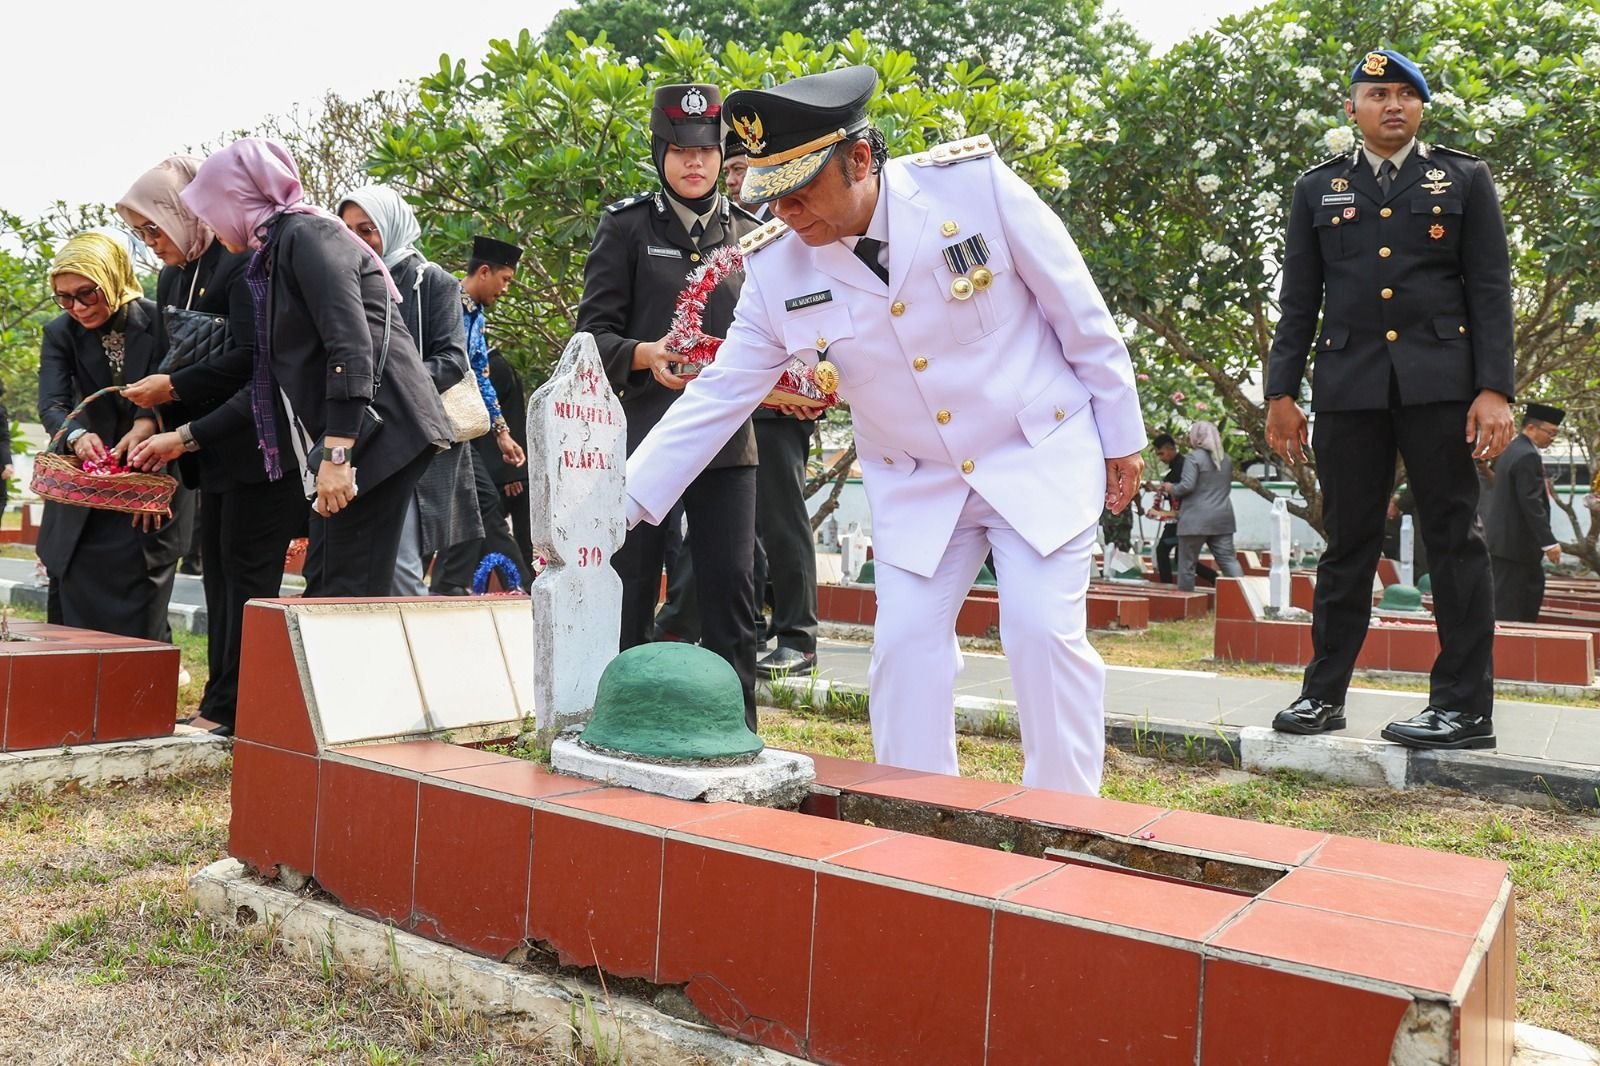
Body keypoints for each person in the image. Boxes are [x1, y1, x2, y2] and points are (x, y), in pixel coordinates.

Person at [622, 67, 1146, 794]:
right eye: (772, 192)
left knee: (1040, 637)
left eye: (802, 188)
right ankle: (917, 815)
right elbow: (717, 399)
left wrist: (1122, 436)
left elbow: (1078, 311)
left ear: (860, 160)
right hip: (917, 480)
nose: (787, 210)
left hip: (1034, 452)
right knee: (902, 651)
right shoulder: (776, 271)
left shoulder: (974, 190)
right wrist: (621, 507)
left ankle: (1061, 819)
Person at [1264, 50, 1515, 751]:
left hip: (1441, 387)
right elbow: (1299, 300)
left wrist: (1496, 388)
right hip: (1349, 389)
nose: (1393, 105)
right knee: (1346, 542)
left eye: (1406, 94)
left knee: (1453, 541)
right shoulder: (1319, 189)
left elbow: (1490, 289)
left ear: (1422, 107)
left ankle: (1464, 708)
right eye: (1378, 93)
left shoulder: (1462, 178)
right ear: (1352, 108)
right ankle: (1322, 696)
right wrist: (1281, 390)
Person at [177, 138, 452, 597]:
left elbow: (349, 344)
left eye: (210, 209)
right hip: (361, 435)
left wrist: (338, 455)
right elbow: (275, 378)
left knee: (349, 588)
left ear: (239, 200)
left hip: (376, 435)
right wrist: (187, 435)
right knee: (327, 578)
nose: (206, 223)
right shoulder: (278, 247)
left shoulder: (308, 237)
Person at [577, 83, 765, 728]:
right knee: (629, 584)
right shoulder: (625, 227)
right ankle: (614, 722)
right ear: (661, 153)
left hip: (725, 441)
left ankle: (737, 726)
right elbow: (589, 336)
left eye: (707, 151)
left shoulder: (755, 237)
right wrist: (642, 353)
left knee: (731, 587)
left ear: (722, 156)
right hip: (641, 437)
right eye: (681, 150)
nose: (695, 163)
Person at [119, 155, 305, 736]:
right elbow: (179, 356)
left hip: (257, 447)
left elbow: (254, 361)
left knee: (248, 582)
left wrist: (173, 392)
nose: (152, 243)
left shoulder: (242, 264)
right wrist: (151, 418)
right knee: (220, 577)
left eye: (156, 226)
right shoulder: (176, 276)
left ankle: (233, 707)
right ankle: (220, 701)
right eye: (141, 232)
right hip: (208, 450)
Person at [334, 184, 482, 596]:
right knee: (353, 563)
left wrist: (387, 388)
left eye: (367, 229)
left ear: (391, 226)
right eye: (346, 230)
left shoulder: (429, 281)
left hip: (413, 438)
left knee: (400, 568)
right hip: (359, 435)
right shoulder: (343, 280)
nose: (357, 240)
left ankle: (410, 658)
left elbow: (452, 360)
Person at [37, 233, 182, 641]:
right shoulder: (60, 333)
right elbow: (51, 403)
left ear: (114, 277)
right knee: (74, 588)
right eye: (64, 298)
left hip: (154, 479)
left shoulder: (163, 322)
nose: (77, 307)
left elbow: (184, 389)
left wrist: (149, 420)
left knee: (141, 588)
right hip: (87, 487)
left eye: (86, 293)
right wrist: (77, 434)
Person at [433, 236, 528, 594]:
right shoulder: (443, 301)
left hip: (461, 430)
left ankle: (450, 585)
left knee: (480, 502)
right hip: (432, 423)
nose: (505, 289)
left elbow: (481, 375)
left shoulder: (477, 315)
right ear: (484, 272)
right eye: (505, 280)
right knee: (477, 501)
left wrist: (502, 433)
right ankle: (452, 585)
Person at [1486, 403, 1563, 622]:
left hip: (1505, 544)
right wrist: (1548, 542)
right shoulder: (1527, 455)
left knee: (1508, 603)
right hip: (1516, 548)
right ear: (1531, 428)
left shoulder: (1512, 449)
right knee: (1513, 610)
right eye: (1550, 433)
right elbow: (1531, 502)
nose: (1552, 438)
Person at [473, 347, 534, 581]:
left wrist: (512, 474)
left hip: (505, 472)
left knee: (501, 536)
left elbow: (510, 419)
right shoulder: (496, 365)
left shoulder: (494, 368)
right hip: (503, 469)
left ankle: (522, 587)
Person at [1168, 421, 1243, 591]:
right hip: (1222, 519)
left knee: (1187, 564)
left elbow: (1187, 486)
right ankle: (1244, 595)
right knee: (1228, 560)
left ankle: (1186, 603)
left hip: (1195, 521)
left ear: (1197, 437)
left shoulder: (1194, 458)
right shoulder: (1226, 460)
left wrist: (1171, 488)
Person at [1145, 433, 1217, 585]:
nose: (1160, 458)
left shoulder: (1182, 468)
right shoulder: (1177, 469)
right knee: (1181, 558)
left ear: (1171, 449)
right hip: (1183, 519)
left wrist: (1164, 510)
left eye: (1161, 453)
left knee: (1163, 551)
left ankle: (1166, 587)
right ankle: (1216, 579)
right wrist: (1157, 490)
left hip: (1185, 519)